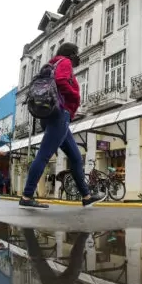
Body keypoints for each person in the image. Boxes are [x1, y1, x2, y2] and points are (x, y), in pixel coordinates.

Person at [20, 43, 103, 209]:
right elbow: (60, 81)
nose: (77, 56)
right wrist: (76, 97)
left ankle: (86, 196)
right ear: (71, 53)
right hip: (59, 114)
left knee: (76, 157)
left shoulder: (52, 64)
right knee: (44, 155)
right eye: (76, 53)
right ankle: (27, 196)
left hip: (52, 114)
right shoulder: (64, 62)